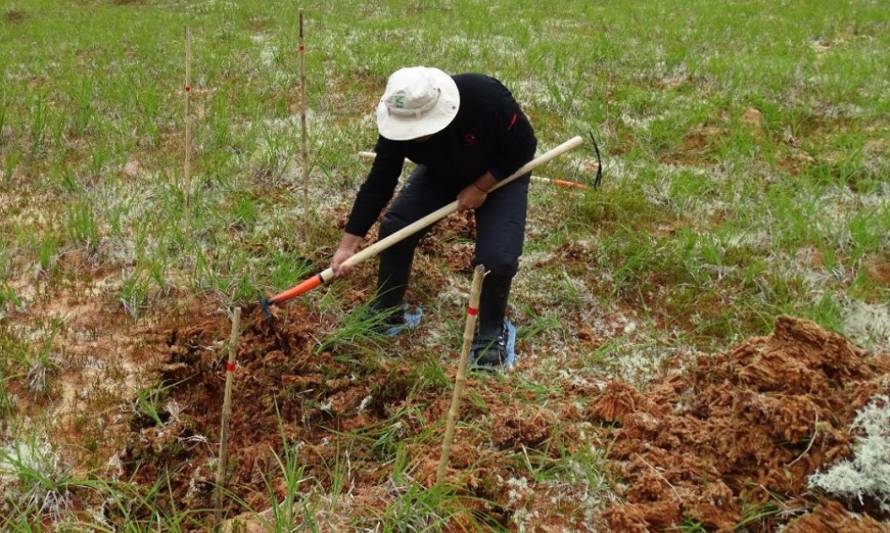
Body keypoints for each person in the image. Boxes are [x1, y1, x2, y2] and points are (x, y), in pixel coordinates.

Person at [331, 66, 536, 368]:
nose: (413, 138)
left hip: (501, 173)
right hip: (442, 173)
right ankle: (388, 310)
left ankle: (492, 332)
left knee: (496, 259)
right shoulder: (397, 122)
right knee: (396, 227)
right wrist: (348, 244)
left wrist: (481, 186)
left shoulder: (483, 96)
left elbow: (524, 145)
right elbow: (380, 182)